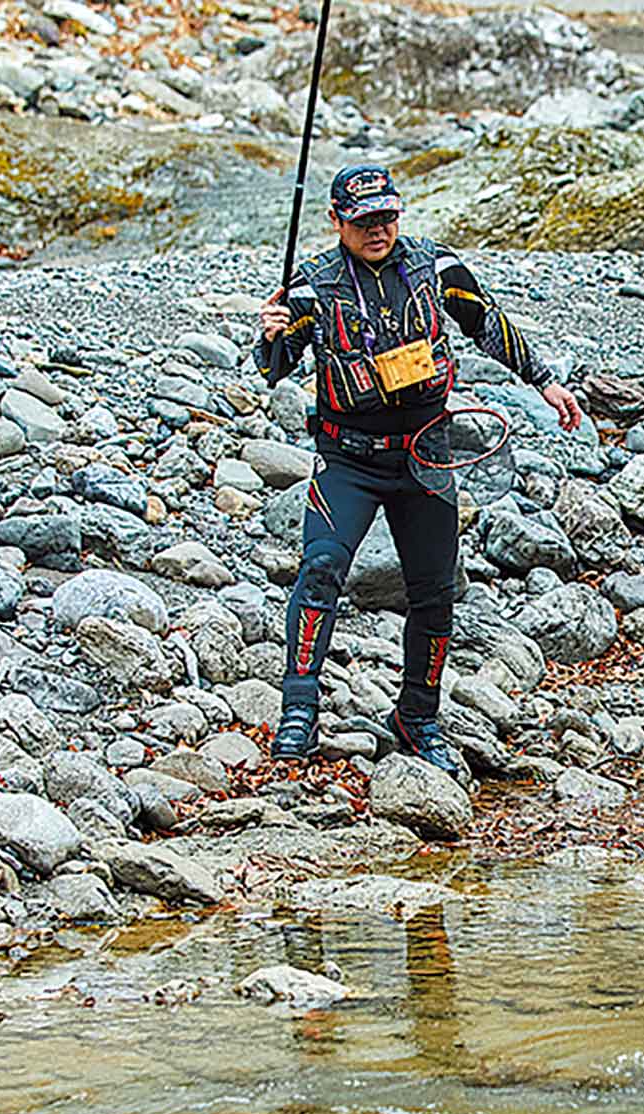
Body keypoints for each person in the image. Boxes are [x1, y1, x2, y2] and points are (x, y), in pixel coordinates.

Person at [255, 163, 582, 775]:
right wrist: (271, 333)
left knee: (434, 591)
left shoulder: (438, 267)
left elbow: (490, 325)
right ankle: (299, 710)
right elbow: (274, 367)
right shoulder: (310, 286)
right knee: (321, 570)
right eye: (362, 221)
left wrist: (545, 382)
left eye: (386, 217)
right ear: (336, 222)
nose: (377, 230)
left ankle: (418, 716)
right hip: (348, 459)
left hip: (427, 454)